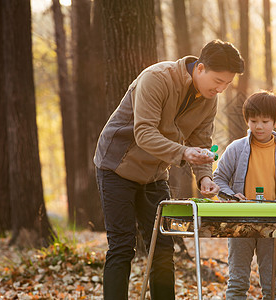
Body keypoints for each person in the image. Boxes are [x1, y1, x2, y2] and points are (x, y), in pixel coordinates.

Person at [94, 40, 244, 300]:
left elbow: (201, 142)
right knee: (122, 247)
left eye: (227, 84)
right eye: (218, 80)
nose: (220, 89)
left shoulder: (209, 99)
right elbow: (143, 133)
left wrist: (205, 176)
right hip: (116, 167)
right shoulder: (157, 78)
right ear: (200, 68)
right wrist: (183, 152)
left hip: (154, 175)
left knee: (163, 247)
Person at [213, 91, 276, 300]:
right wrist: (232, 197)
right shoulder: (236, 149)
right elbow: (218, 179)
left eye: (265, 121)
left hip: (272, 224)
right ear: (247, 121)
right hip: (240, 223)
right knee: (237, 282)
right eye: (253, 121)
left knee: (273, 286)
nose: (259, 126)